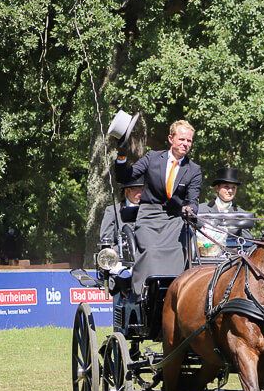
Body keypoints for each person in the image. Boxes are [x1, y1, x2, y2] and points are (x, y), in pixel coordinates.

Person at [114, 119, 203, 293]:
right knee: (151, 252)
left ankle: (174, 294)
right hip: (149, 216)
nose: (185, 144)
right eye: (181, 139)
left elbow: (193, 201)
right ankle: (145, 294)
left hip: (175, 220)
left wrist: (189, 209)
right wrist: (122, 154)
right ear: (171, 139)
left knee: (179, 252)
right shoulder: (153, 158)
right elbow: (124, 177)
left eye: (189, 141)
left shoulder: (193, 170)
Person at [197, 167, 251, 256]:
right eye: (226, 187)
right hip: (203, 257)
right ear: (217, 188)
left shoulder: (241, 214)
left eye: (233, 188)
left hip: (232, 258)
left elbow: (247, 242)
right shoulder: (201, 209)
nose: (230, 191)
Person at [99, 175, 144, 246]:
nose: (144, 194)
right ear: (128, 190)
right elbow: (106, 244)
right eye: (141, 190)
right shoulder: (112, 211)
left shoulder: (150, 210)